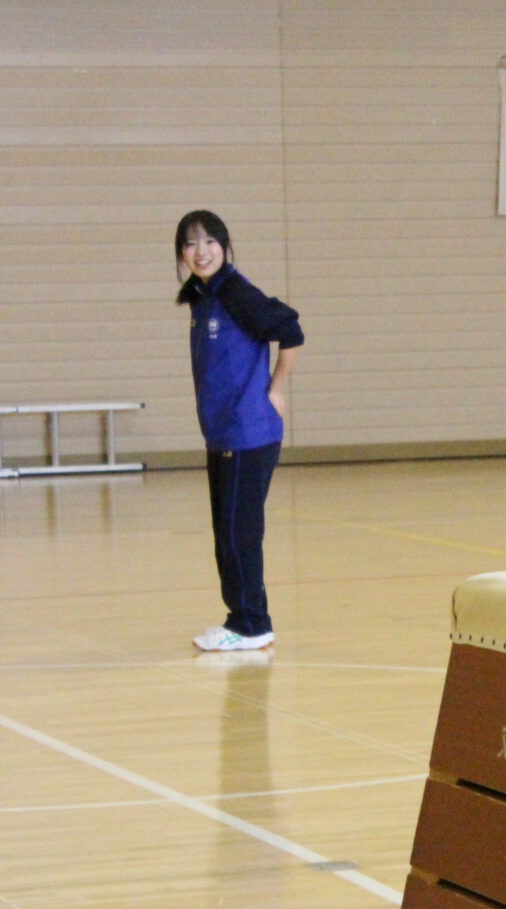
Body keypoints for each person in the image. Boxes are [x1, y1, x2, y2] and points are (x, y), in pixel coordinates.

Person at [174, 210, 304, 652]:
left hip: (248, 435)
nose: (201, 251)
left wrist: (276, 389)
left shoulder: (234, 291)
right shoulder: (202, 297)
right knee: (227, 531)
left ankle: (252, 624)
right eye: (191, 244)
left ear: (226, 249)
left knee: (238, 533)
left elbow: (290, 329)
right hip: (224, 435)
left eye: (210, 242)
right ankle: (241, 617)